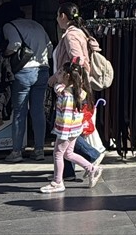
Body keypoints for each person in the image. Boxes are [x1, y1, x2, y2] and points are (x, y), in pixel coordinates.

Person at [53, 3, 103, 182]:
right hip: (74, 88)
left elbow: (77, 60)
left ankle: (91, 156)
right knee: (68, 133)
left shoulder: (71, 35)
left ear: (63, 16)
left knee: (65, 132)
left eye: (58, 15)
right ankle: (67, 173)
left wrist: (63, 78)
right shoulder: (78, 33)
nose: (57, 20)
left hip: (71, 89)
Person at [0, 4, 52, 163]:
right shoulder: (37, 25)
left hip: (24, 71)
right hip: (42, 70)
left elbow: (14, 44)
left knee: (20, 112)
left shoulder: (9, 26)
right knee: (38, 111)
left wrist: (5, 53)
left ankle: (16, 152)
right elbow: (49, 48)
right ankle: (39, 150)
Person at [39, 59, 99, 193]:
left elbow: (65, 116)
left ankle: (57, 182)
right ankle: (91, 169)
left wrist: (61, 133)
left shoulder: (66, 95)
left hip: (67, 129)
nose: (57, 74)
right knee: (68, 153)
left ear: (67, 76)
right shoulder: (77, 91)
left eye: (60, 72)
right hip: (75, 129)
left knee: (58, 153)